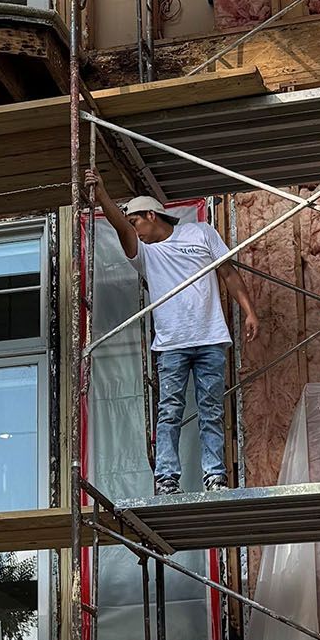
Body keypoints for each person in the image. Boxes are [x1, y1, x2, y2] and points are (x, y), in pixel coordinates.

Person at [87, 170, 258, 495]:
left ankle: (215, 478)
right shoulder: (146, 255)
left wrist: (249, 310)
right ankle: (166, 480)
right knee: (170, 412)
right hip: (172, 345)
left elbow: (228, 272)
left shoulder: (201, 233)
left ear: (151, 215)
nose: (133, 229)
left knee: (211, 410)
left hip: (209, 339)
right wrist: (103, 197)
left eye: (136, 221)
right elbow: (121, 227)